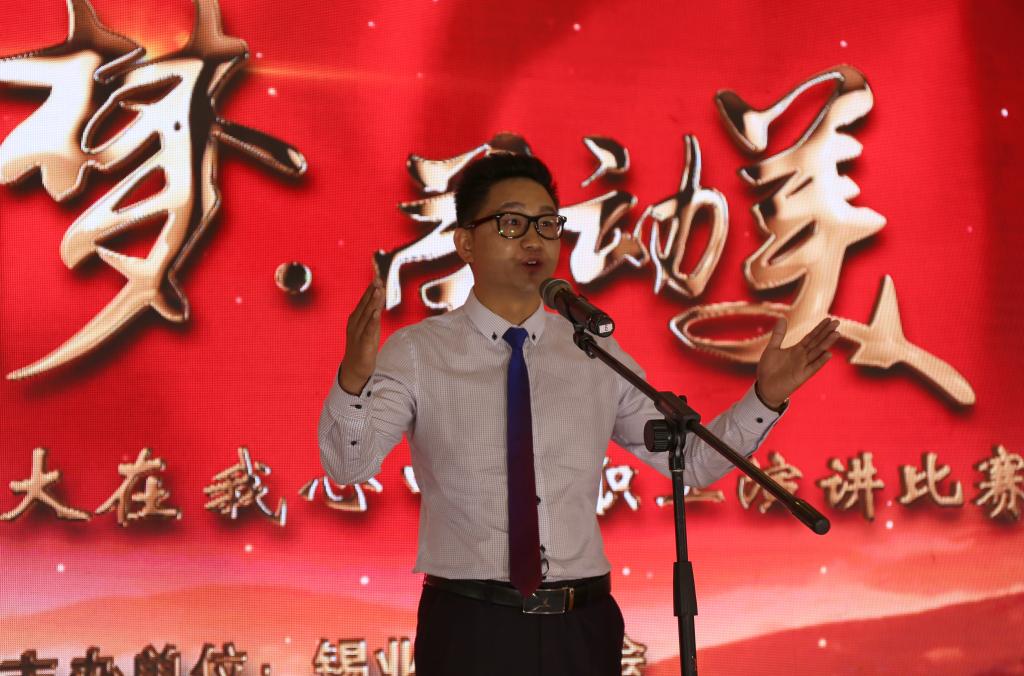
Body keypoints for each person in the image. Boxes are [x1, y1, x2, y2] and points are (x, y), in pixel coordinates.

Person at [318, 153, 840, 676]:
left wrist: (764, 398)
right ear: (466, 243)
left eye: (547, 224)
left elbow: (695, 462)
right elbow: (348, 465)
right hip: (474, 626)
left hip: (583, 627)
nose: (534, 239)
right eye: (512, 222)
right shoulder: (418, 352)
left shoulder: (593, 352)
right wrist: (353, 380)